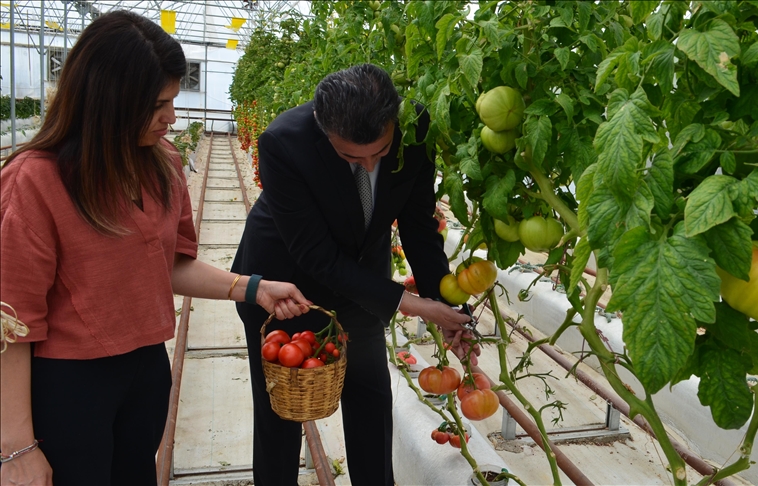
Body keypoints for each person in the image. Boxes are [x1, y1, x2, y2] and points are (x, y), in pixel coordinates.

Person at [0, 11, 311, 485]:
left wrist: (254, 288)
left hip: (146, 369)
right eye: (157, 104)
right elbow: (10, 322)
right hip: (68, 385)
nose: (171, 117)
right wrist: (17, 446)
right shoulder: (36, 181)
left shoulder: (161, 166)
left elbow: (166, 265)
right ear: (107, 102)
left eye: (173, 99)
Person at [232, 63, 479, 485]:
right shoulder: (283, 141)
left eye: (380, 154)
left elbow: (418, 226)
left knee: (370, 399)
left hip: (363, 282)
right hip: (285, 287)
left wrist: (451, 307)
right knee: (283, 413)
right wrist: (410, 304)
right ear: (321, 126)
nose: (367, 168)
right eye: (349, 156)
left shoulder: (416, 127)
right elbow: (317, 255)